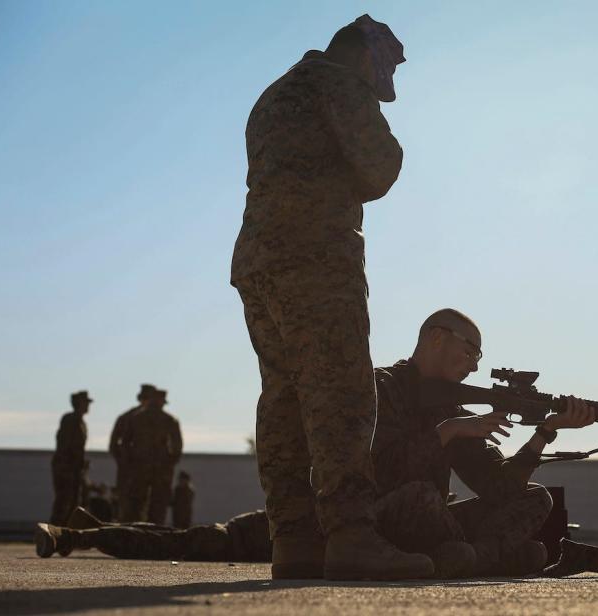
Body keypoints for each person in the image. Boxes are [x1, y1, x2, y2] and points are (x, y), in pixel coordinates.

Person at [230, 14, 431, 581]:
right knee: (341, 392)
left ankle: (293, 540)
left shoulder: (275, 92)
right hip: (316, 259)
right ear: (367, 57)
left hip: (258, 261)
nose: (382, 83)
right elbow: (379, 166)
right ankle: (351, 535)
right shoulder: (338, 83)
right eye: (383, 71)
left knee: (285, 399)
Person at [369, 309, 597, 577]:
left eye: (478, 357)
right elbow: (381, 472)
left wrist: (546, 431)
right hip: (378, 522)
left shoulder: (451, 410)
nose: (475, 366)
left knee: (536, 497)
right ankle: (482, 558)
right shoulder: (379, 388)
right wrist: (448, 431)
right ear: (437, 337)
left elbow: (502, 490)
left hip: (437, 524)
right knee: (420, 496)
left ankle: (472, 558)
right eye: (470, 352)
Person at [34, 507, 270, 563]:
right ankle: (68, 536)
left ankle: (93, 526)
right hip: (224, 542)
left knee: (170, 538)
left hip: (227, 536)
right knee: (159, 545)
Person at [118, 389, 183, 524]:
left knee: (136, 506)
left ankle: (133, 535)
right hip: (159, 471)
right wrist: (168, 464)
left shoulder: (135, 418)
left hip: (140, 469)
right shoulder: (169, 420)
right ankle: (154, 536)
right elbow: (177, 447)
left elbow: (124, 444)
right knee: (157, 508)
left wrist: (130, 462)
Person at [109, 383, 156, 518]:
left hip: (137, 472)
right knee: (134, 510)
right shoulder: (131, 418)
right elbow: (114, 445)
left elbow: (113, 445)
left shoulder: (126, 417)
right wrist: (126, 462)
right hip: (136, 473)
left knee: (132, 509)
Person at [49, 391, 91, 525]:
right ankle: (53, 535)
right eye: (85, 403)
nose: (88, 406)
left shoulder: (80, 422)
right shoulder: (70, 420)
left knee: (74, 503)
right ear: (79, 404)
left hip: (74, 469)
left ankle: (65, 536)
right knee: (63, 503)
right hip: (66, 469)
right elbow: (67, 446)